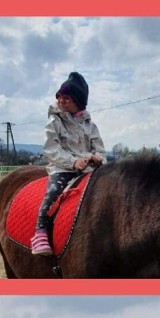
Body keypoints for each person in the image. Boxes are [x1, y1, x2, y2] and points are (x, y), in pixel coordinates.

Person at [31, 72, 107, 255]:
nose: (61, 101)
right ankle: (40, 231)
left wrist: (98, 158)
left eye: (67, 98)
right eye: (59, 97)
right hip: (63, 168)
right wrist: (73, 162)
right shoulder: (54, 122)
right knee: (53, 192)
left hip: (89, 170)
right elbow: (51, 149)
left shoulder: (90, 125)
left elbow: (100, 149)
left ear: (78, 102)